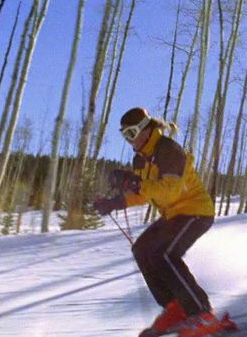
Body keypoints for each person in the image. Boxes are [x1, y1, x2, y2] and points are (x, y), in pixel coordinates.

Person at [93, 107, 232, 337]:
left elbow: (169, 192)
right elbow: (145, 193)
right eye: (124, 135)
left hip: (196, 211)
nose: (130, 141)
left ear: (146, 130)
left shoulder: (169, 150)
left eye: (132, 134)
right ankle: (176, 308)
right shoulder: (141, 159)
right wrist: (115, 202)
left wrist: (135, 183)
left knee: (163, 253)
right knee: (142, 249)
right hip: (174, 215)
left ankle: (203, 314)